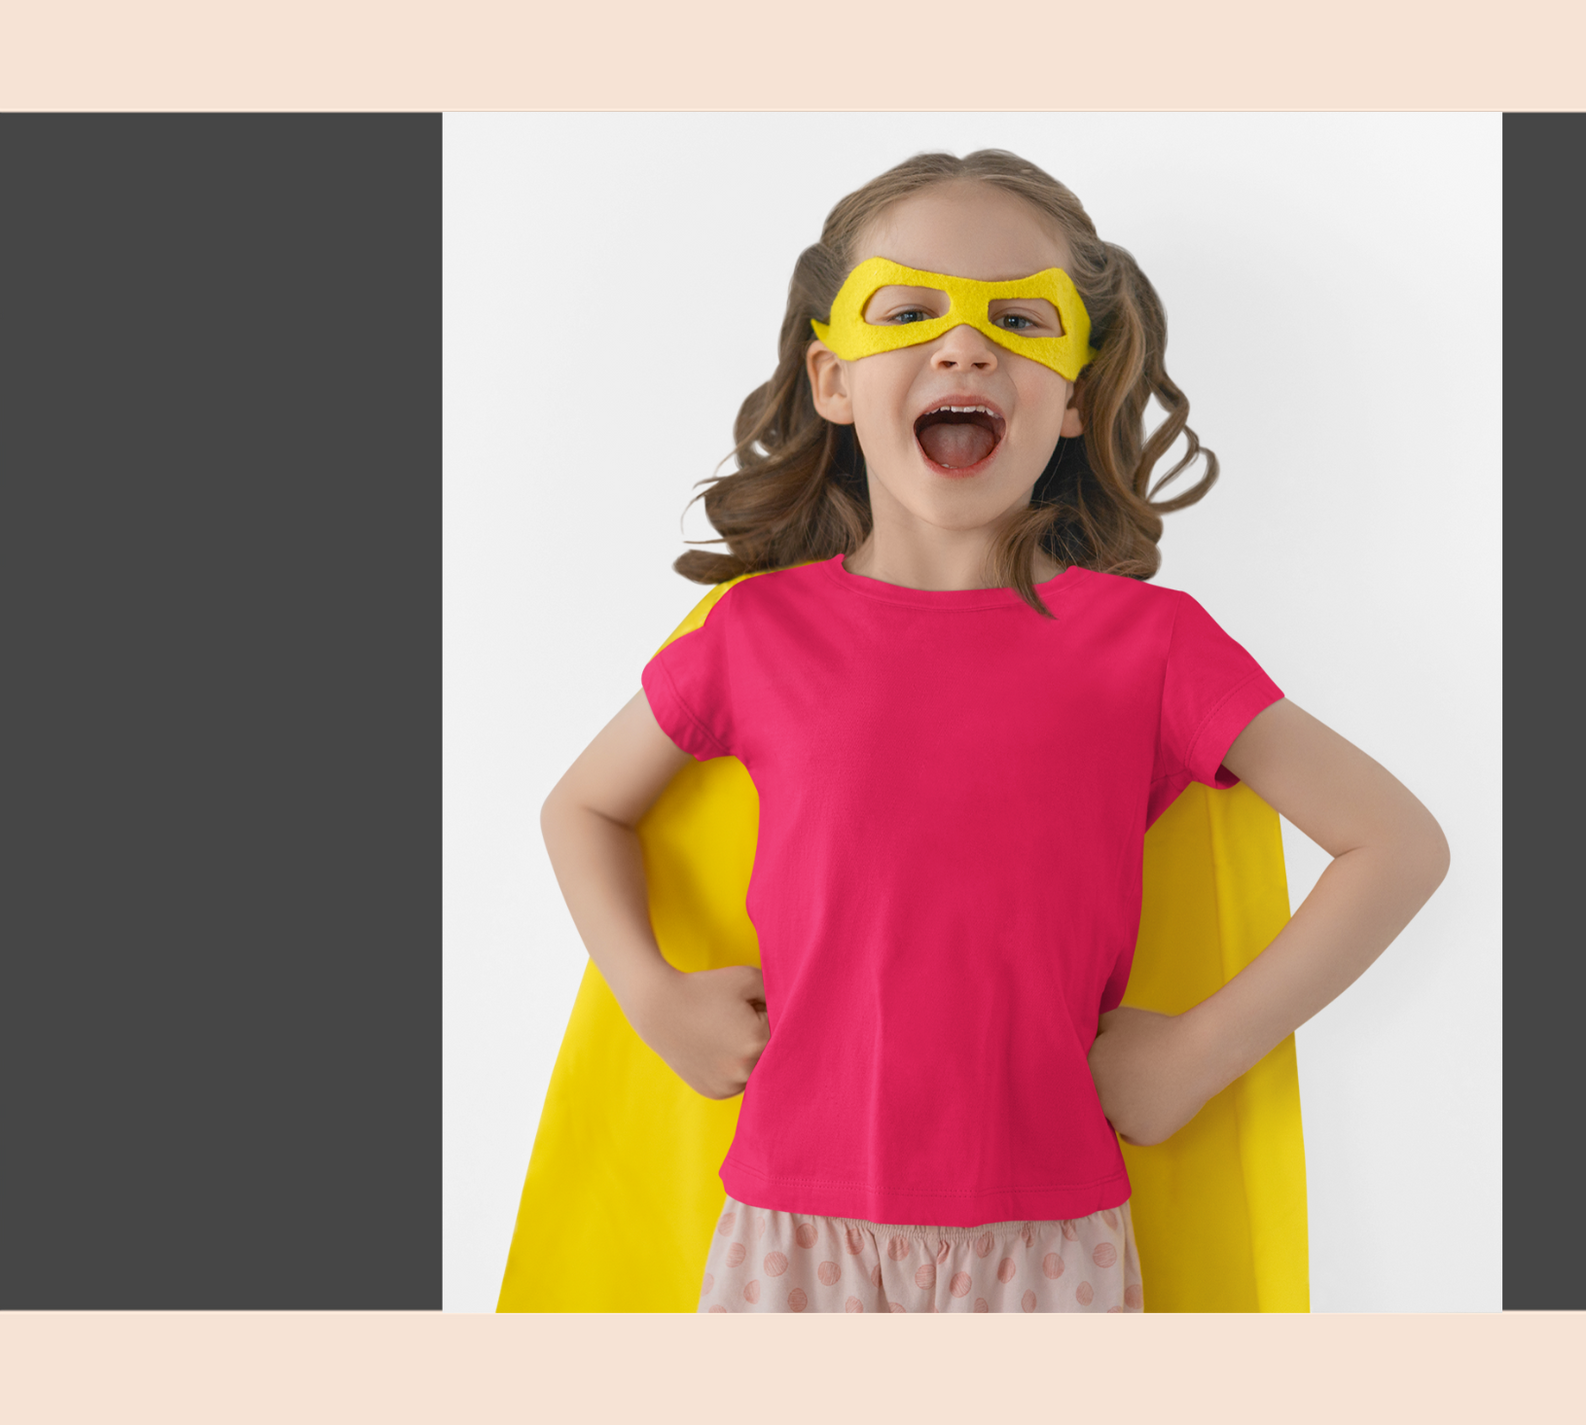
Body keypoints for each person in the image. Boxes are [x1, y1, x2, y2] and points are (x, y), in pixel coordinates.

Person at [532, 150, 1450, 1313]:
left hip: (1049, 1244)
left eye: (1018, 320)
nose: (964, 347)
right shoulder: (753, 634)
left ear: (1073, 392)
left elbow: (1396, 845)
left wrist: (1195, 1055)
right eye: (908, 310)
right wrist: (652, 996)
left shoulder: (1152, 646)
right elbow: (582, 805)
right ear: (830, 377)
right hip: (790, 1235)